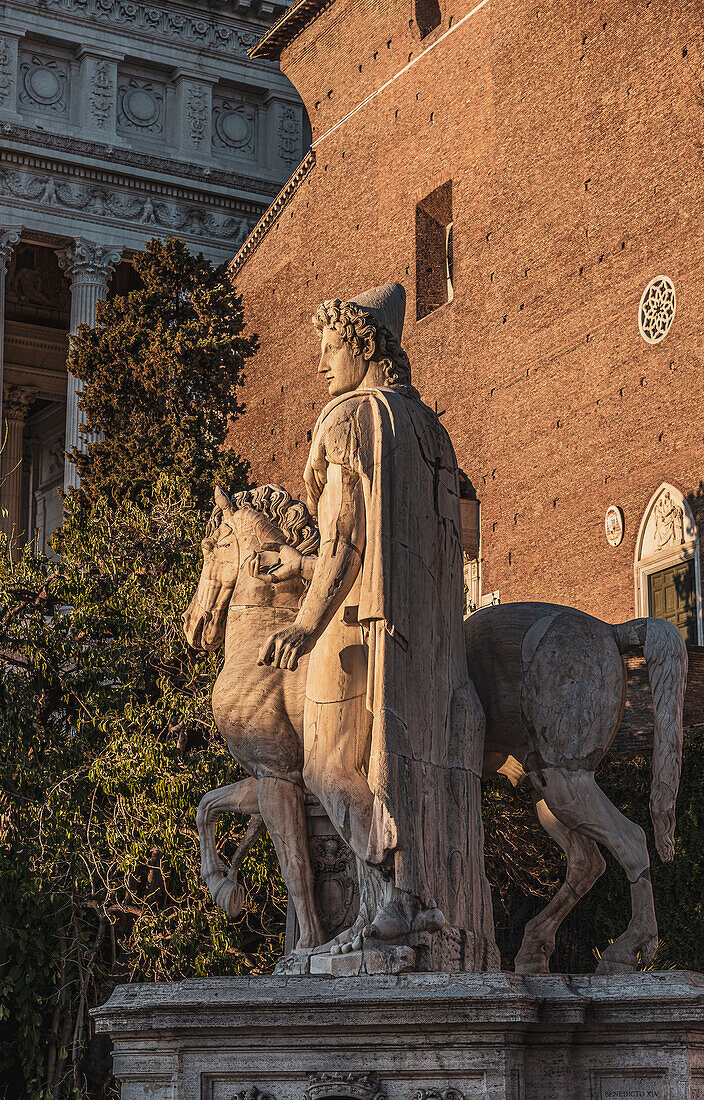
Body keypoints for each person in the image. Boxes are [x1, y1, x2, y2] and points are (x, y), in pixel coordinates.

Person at [256, 284, 496, 964]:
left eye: (331, 347)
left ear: (365, 346)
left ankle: (397, 892)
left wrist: (305, 623)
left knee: (327, 766)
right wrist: (300, 567)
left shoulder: (348, 420)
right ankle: (421, 903)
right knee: (409, 762)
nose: (322, 364)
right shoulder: (430, 433)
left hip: (348, 626)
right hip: (422, 639)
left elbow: (346, 544)